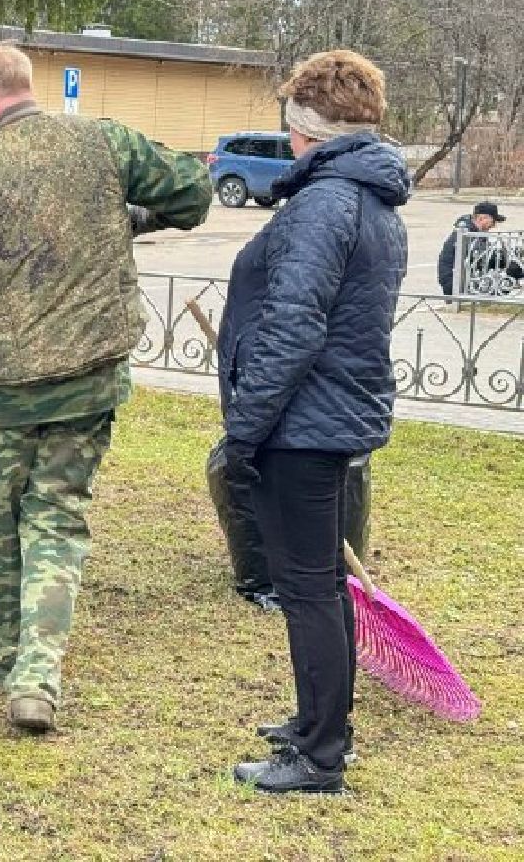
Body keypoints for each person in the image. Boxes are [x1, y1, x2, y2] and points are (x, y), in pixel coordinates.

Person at [0, 42, 212, 732]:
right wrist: (133, 216)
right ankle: (30, 677)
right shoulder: (105, 143)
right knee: (55, 522)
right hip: (86, 383)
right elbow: (193, 192)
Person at [218, 49, 408, 794]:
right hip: (331, 416)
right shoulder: (370, 196)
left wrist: (246, 432)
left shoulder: (327, 202)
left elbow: (292, 328)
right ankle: (319, 724)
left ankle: (320, 755)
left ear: (303, 129)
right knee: (323, 583)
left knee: (308, 588)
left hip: (300, 426)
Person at [436, 201, 514, 296]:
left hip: (465, 279)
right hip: (456, 283)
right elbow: (479, 257)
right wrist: (500, 259)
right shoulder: (467, 234)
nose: (494, 226)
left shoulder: (476, 233)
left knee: (508, 276)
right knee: (508, 276)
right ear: (482, 218)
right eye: (493, 221)